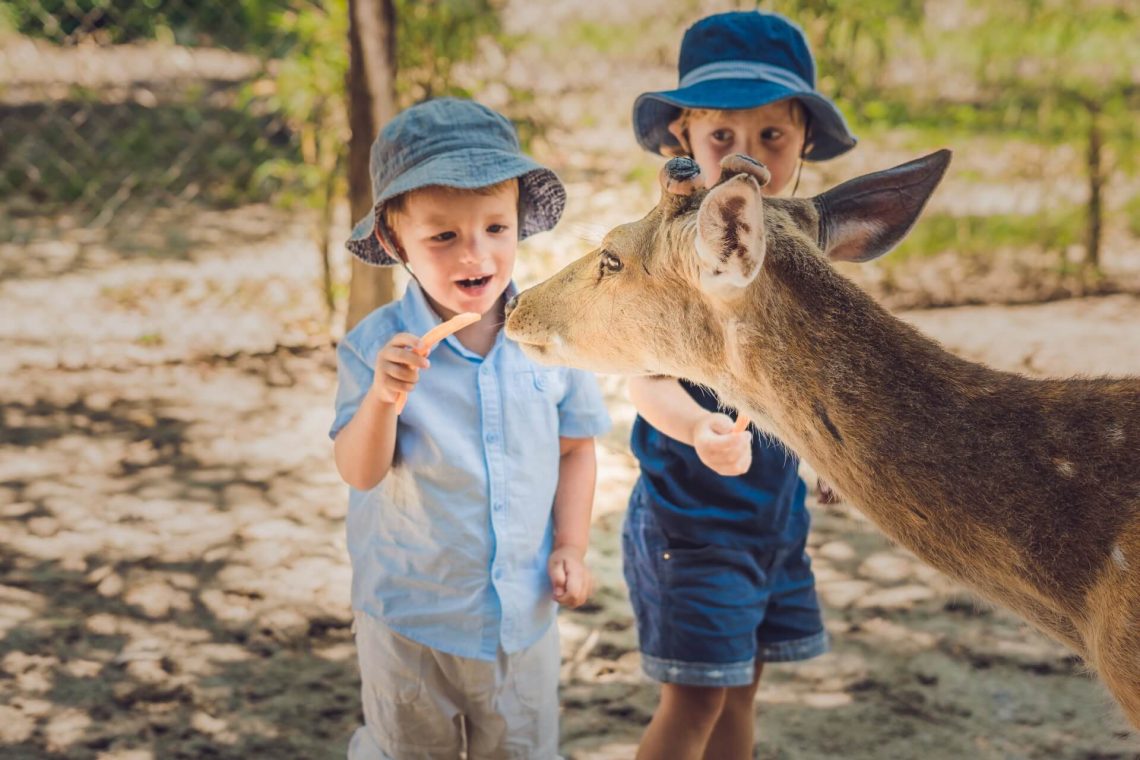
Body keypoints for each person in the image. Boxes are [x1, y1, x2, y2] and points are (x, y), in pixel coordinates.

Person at [331, 97, 611, 760]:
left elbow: (577, 450)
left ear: (519, 225)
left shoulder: (555, 339)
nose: (476, 254)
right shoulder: (375, 348)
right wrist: (383, 399)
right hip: (410, 617)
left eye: (496, 227)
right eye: (443, 237)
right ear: (396, 242)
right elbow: (360, 472)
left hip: (521, 618)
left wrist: (570, 546)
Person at [624, 11, 859, 759]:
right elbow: (644, 379)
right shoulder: (674, 250)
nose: (748, 159)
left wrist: (828, 453)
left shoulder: (800, 254)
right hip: (691, 523)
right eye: (723, 136)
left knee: (743, 686)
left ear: (805, 143)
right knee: (695, 699)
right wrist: (694, 426)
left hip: (772, 520)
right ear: (683, 139)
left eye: (772, 137)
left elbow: (809, 376)